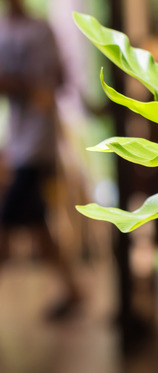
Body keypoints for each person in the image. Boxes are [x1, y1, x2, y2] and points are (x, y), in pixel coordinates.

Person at [0, 0, 82, 320]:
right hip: (21, 142)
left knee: (7, 222)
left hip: (38, 144)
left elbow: (58, 78)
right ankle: (73, 290)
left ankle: (73, 290)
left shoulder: (41, 29)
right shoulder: (6, 30)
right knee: (36, 226)